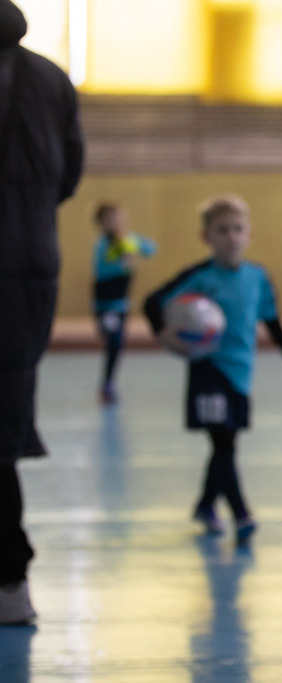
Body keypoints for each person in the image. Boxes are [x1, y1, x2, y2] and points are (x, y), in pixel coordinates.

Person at [143, 194, 282, 545]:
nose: (231, 236)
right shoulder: (199, 276)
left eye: (237, 229)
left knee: (226, 444)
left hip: (240, 374)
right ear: (207, 237)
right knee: (223, 443)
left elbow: (271, 319)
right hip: (208, 370)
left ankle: (205, 505)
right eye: (221, 230)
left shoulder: (258, 278)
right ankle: (241, 514)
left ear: (249, 234)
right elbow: (152, 302)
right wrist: (164, 334)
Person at [0, 0, 84, 624]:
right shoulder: (50, 77)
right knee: (2, 425)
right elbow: (68, 175)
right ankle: (10, 583)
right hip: (32, 264)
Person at [92, 201, 157, 404]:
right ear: (101, 224)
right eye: (110, 220)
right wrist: (122, 266)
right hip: (105, 305)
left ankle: (108, 382)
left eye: (118, 218)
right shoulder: (103, 245)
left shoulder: (128, 240)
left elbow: (151, 248)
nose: (116, 223)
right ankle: (107, 382)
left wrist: (136, 246)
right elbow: (100, 271)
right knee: (113, 341)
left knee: (117, 343)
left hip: (121, 304)